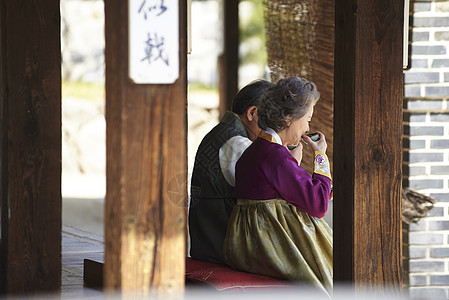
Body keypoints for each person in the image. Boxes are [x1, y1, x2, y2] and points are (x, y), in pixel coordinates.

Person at [223, 77, 333, 293]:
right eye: (307, 119)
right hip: (273, 247)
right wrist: (320, 156)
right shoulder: (276, 157)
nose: (308, 127)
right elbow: (318, 204)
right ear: (288, 118)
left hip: (246, 248)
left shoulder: (254, 151)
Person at [189, 80, 275, 264]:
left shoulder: (221, 133)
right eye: (272, 118)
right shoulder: (238, 143)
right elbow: (270, 196)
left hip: (205, 246)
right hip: (224, 252)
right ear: (252, 113)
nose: (274, 128)